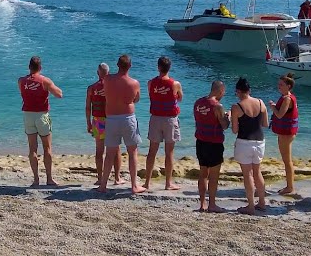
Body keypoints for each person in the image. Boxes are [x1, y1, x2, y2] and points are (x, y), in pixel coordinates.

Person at [97, 54, 146, 195]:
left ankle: (103, 185)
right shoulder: (134, 83)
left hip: (111, 118)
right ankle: (134, 186)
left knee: (110, 153)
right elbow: (136, 99)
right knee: (132, 152)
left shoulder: (107, 79)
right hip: (127, 118)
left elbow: (102, 73)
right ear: (130, 66)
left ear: (117, 65)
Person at [19, 56, 64, 187]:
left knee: (32, 148)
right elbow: (59, 94)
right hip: (42, 115)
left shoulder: (21, 81)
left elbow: (22, 93)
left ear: (29, 67)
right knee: (47, 148)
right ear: (40, 67)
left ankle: (36, 179)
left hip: (28, 115)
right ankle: (49, 178)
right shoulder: (45, 80)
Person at [143, 56, 184, 191]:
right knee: (169, 152)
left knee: (152, 151)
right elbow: (180, 98)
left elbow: (152, 95)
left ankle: (147, 183)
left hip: (155, 118)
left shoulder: (150, 83)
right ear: (169, 68)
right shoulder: (175, 84)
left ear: (158, 67)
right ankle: (168, 183)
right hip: (170, 119)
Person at [229, 77, 268, 215]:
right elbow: (265, 124)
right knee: (258, 172)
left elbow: (234, 130)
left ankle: (251, 206)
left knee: (247, 175)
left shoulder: (236, 107)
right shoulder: (260, 102)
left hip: (244, 142)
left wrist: (230, 117)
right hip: (259, 141)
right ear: (249, 90)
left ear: (238, 91)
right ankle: (262, 203)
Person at [193, 80, 230, 212]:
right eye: (223, 92)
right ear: (220, 91)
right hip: (214, 143)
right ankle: (212, 204)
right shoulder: (217, 106)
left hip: (201, 141)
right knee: (213, 176)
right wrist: (228, 117)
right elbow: (224, 125)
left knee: (203, 173)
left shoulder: (198, 103)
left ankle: (202, 204)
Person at [86, 63, 121, 185]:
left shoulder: (92, 88)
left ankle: (100, 178)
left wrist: (88, 123)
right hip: (111, 119)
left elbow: (88, 108)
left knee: (99, 150)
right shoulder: (113, 87)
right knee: (116, 149)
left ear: (97, 73)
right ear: (108, 73)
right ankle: (117, 178)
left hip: (98, 120)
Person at [269, 73, 299, 196]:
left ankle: (290, 187)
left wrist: (272, 107)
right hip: (285, 133)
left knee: (287, 161)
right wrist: (276, 106)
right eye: (278, 84)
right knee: (286, 160)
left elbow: (280, 114)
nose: (279, 87)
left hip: (286, 133)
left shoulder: (287, 98)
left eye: (281, 85)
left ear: (288, 86)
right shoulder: (288, 97)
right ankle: (289, 185)